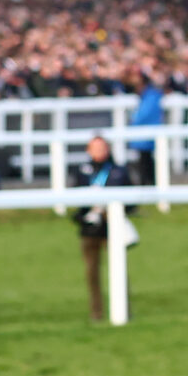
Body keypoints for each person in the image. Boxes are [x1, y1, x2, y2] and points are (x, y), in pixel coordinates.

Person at [74, 133, 127, 322]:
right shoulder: (82, 171)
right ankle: (96, 313)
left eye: (102, 147)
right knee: (92, 274)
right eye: (95, 148)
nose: (99, 151)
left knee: (119, 272)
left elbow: (130, 199)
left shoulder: (118, 171)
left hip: (112, 228)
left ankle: (123, 311)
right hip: (89, 230)